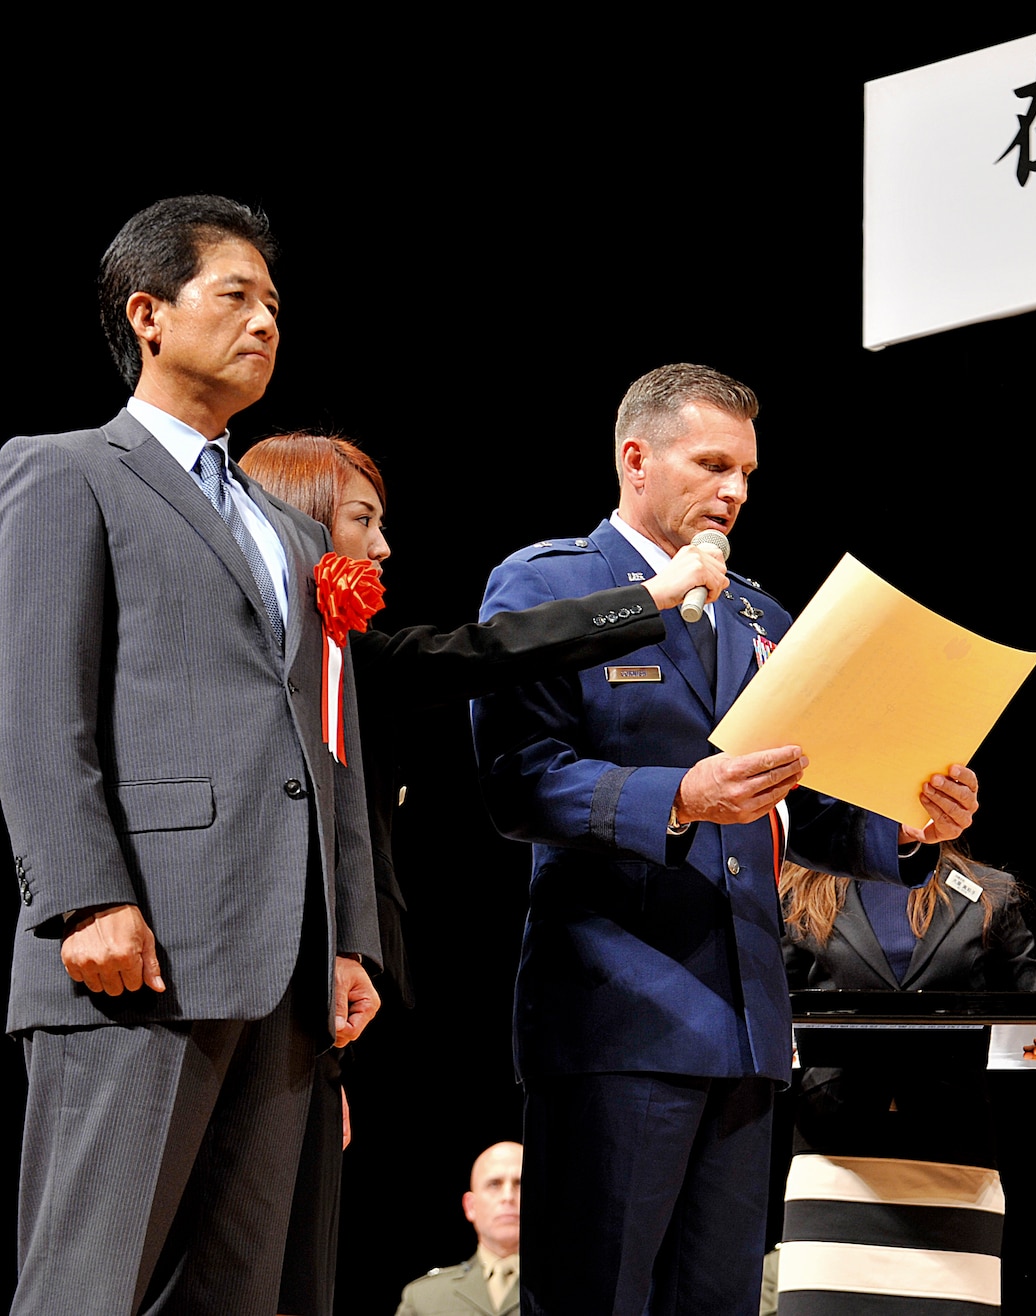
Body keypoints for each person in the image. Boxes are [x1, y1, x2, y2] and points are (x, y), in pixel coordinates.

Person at [470, 362, 982, 1316]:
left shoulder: (761, 614)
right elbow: (518, 784)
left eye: (747, 471)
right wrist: (681, 795)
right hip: (616, 1014)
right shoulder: (555, 584)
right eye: (712, 464)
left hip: (746, 1024)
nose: (735, 491)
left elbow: (812, 806)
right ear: (636, 459)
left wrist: (909, 828)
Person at [0, 196, 381, 1315]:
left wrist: (347, 933)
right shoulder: (67, 470)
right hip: (142, 946)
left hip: (285, 960)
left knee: (240, 1287)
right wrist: (83, 900)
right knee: (89, 1279)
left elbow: (330, 744)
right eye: (236, 295)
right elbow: (39, 712)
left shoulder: (294, 531)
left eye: (275, 303)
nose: (266, 320)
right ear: (149, 313)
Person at [236, 432, 717, 1316]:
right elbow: (489, 649)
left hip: (311, 1021)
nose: (382, 549)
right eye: (362, 522)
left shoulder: (353, 666)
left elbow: (480, 656)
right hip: (229, 1005)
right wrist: (646, 600)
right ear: (295, 529)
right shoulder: (233, 676)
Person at [773, 845, 1036, 1313]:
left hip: (955, 1162)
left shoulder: (989, 892)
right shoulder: (804, 888)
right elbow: (772, 1006)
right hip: (833, 1158)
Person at [394, 1141, 524, 1316]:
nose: (508, 1196)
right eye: (494, 1184)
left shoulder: (569, 1290)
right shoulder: (424, 1297)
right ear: (470, 1206)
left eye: (521, 1184)